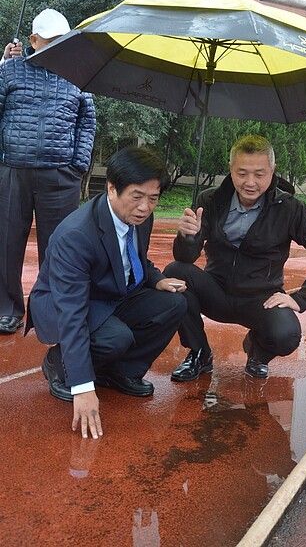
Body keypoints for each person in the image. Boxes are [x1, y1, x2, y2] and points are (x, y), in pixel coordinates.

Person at [27, 146, 187, 439]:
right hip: (66, 303)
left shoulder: (141, 217)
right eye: (137, 196)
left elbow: (135, 258)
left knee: (174, 303)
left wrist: (156, 279)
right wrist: (83, 387)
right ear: (112, 188)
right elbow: (72, 312)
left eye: (153, 199)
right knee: (116, 337)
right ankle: (59, 364)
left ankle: (119, 371)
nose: (144, 207)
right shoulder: (77, 235)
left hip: (111, 293)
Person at [164, 134, 306, 382]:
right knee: (174, 272)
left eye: (259, 174)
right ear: (230, 169)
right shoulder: (210, 200)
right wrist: (187, 237)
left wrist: (301, 299)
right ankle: (199, 353)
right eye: (242, 173)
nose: (250, 182)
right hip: (216, 292)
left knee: (287, 335)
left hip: (260, 299)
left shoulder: (290, 208)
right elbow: (185, 257)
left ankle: (258, 351)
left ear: (273, 170)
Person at [0, 8, 96, 334]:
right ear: (33, 40)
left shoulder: (78, 75)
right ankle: (7, 309)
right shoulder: (10, 71)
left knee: (58, 248)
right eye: (51, 41)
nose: (58, 46)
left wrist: (78, 166)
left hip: (60, 176)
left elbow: (88, 122)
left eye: (62, 41)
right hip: (13, 171)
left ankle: (52, 313)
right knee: (6, 243)